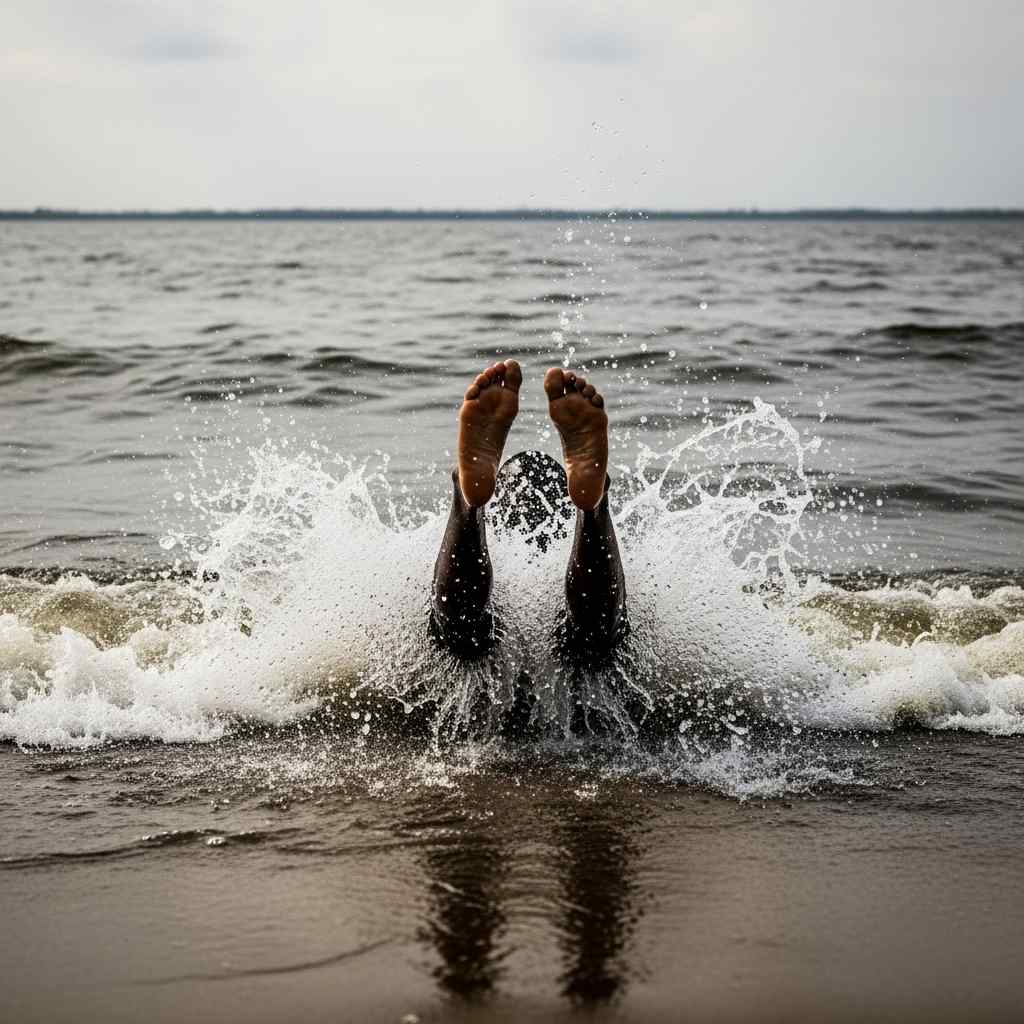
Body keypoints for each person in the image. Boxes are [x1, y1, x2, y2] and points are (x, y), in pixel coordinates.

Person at [431, 359, 627, 663]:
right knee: (598, 640)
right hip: (581, 660)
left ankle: (468, 508)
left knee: (458, 634)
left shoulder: (507, 574)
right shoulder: (552, 571)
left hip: (486, 663)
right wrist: (591, 504)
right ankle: (593, 513)